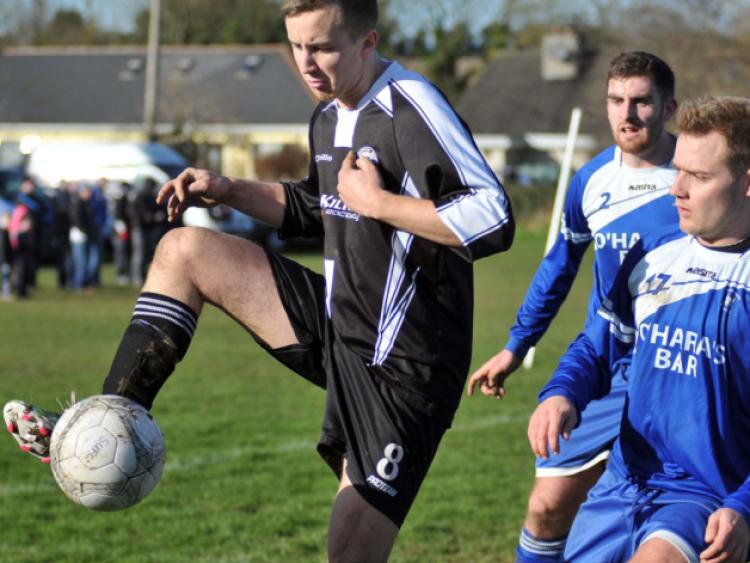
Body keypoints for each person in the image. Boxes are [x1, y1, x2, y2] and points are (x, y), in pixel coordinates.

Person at [3, 1, 514, 560]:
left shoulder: (411, 105)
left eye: (321, 46)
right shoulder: (327, 114)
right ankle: (102, 424)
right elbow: (316, 207)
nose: (307, 64)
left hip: (403, 368)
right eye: (297, 46)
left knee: (349, 554)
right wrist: (227, 189)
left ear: (367, 42)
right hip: (338, 324)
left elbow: (492, 216)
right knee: (184, 250)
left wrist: (379, 202)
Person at [467, 51, 679, 562]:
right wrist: (516, 347)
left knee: (669, 517)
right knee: (546, 506)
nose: (627, 114)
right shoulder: (591, 181)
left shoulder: (698, 178)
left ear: (669, 107)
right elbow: (557, 268)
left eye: (641, 101)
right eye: (616, 100)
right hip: (607, 368)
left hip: (676, 370)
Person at [529, 95, 750, 562]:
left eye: (700, 176)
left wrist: (743, 507)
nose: (677, 190)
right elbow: (599, 342)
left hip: (703, 496)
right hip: (623, 482)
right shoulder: (653, 247)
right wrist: (561, 392)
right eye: (679, 170)